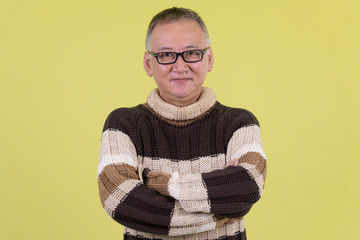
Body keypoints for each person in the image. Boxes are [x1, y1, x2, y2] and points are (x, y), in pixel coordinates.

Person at [97, 7, 267, 240]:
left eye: (192, 53)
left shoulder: (240, 123)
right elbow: (119, 199)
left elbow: (248, 185)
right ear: (148, 63)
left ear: (209, 59)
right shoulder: (123, 124)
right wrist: (219, 210)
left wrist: (164, 184)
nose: (180, 66)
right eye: (166, 55)